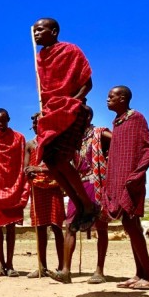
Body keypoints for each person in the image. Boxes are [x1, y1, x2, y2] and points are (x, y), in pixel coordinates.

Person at [32, 18, 97, 232]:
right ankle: (80, 204)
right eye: (35, 30)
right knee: (50, 161)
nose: (36, 34)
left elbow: (87, 82)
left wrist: (74, 101)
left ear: (54, 30)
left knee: (61, 158)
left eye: (40, 29)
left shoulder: (70, 50)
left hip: (71, 110)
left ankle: (88, 204)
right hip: (50, 113)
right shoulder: (39, 56)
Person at [98, 86, 149, 289]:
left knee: (133, 226)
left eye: (111, 96)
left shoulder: (136, 118)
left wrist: (138, 173)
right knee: (128, 226)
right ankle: (139, 272)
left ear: (122, 98)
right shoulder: (117, 122)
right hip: (117, 180)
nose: (107, 100)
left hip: (131, 180)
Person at [50, 108, 111, 284]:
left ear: (87, 117)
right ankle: (65, 271)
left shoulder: (99, 133)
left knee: (101, 226)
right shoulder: (72, 139)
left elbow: (119, 142)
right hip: (78, 184)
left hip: (97, 182)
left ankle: (99, 270)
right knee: (71, 225)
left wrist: (109, 163)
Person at [0, 109, 28, 277]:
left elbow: (23, 162)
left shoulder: (19, 138)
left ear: (9, 119)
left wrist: (23, 187)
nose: (0, 124)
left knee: (10, 229)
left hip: (14, 188)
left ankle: (10, 264)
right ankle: (0, 263)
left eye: (3, 120)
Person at [24, 113, 65, 278]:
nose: (35, 125)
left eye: (39, 122)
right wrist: (28, 172)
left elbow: (61, 165)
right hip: (38, 189)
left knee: (56, 227)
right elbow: (25, 167)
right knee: (40, 228)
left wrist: (39, 169)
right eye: (33, 122)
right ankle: (41, 266)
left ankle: (62, 266)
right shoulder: (30, 144)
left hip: (54, 187)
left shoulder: (54, 142)